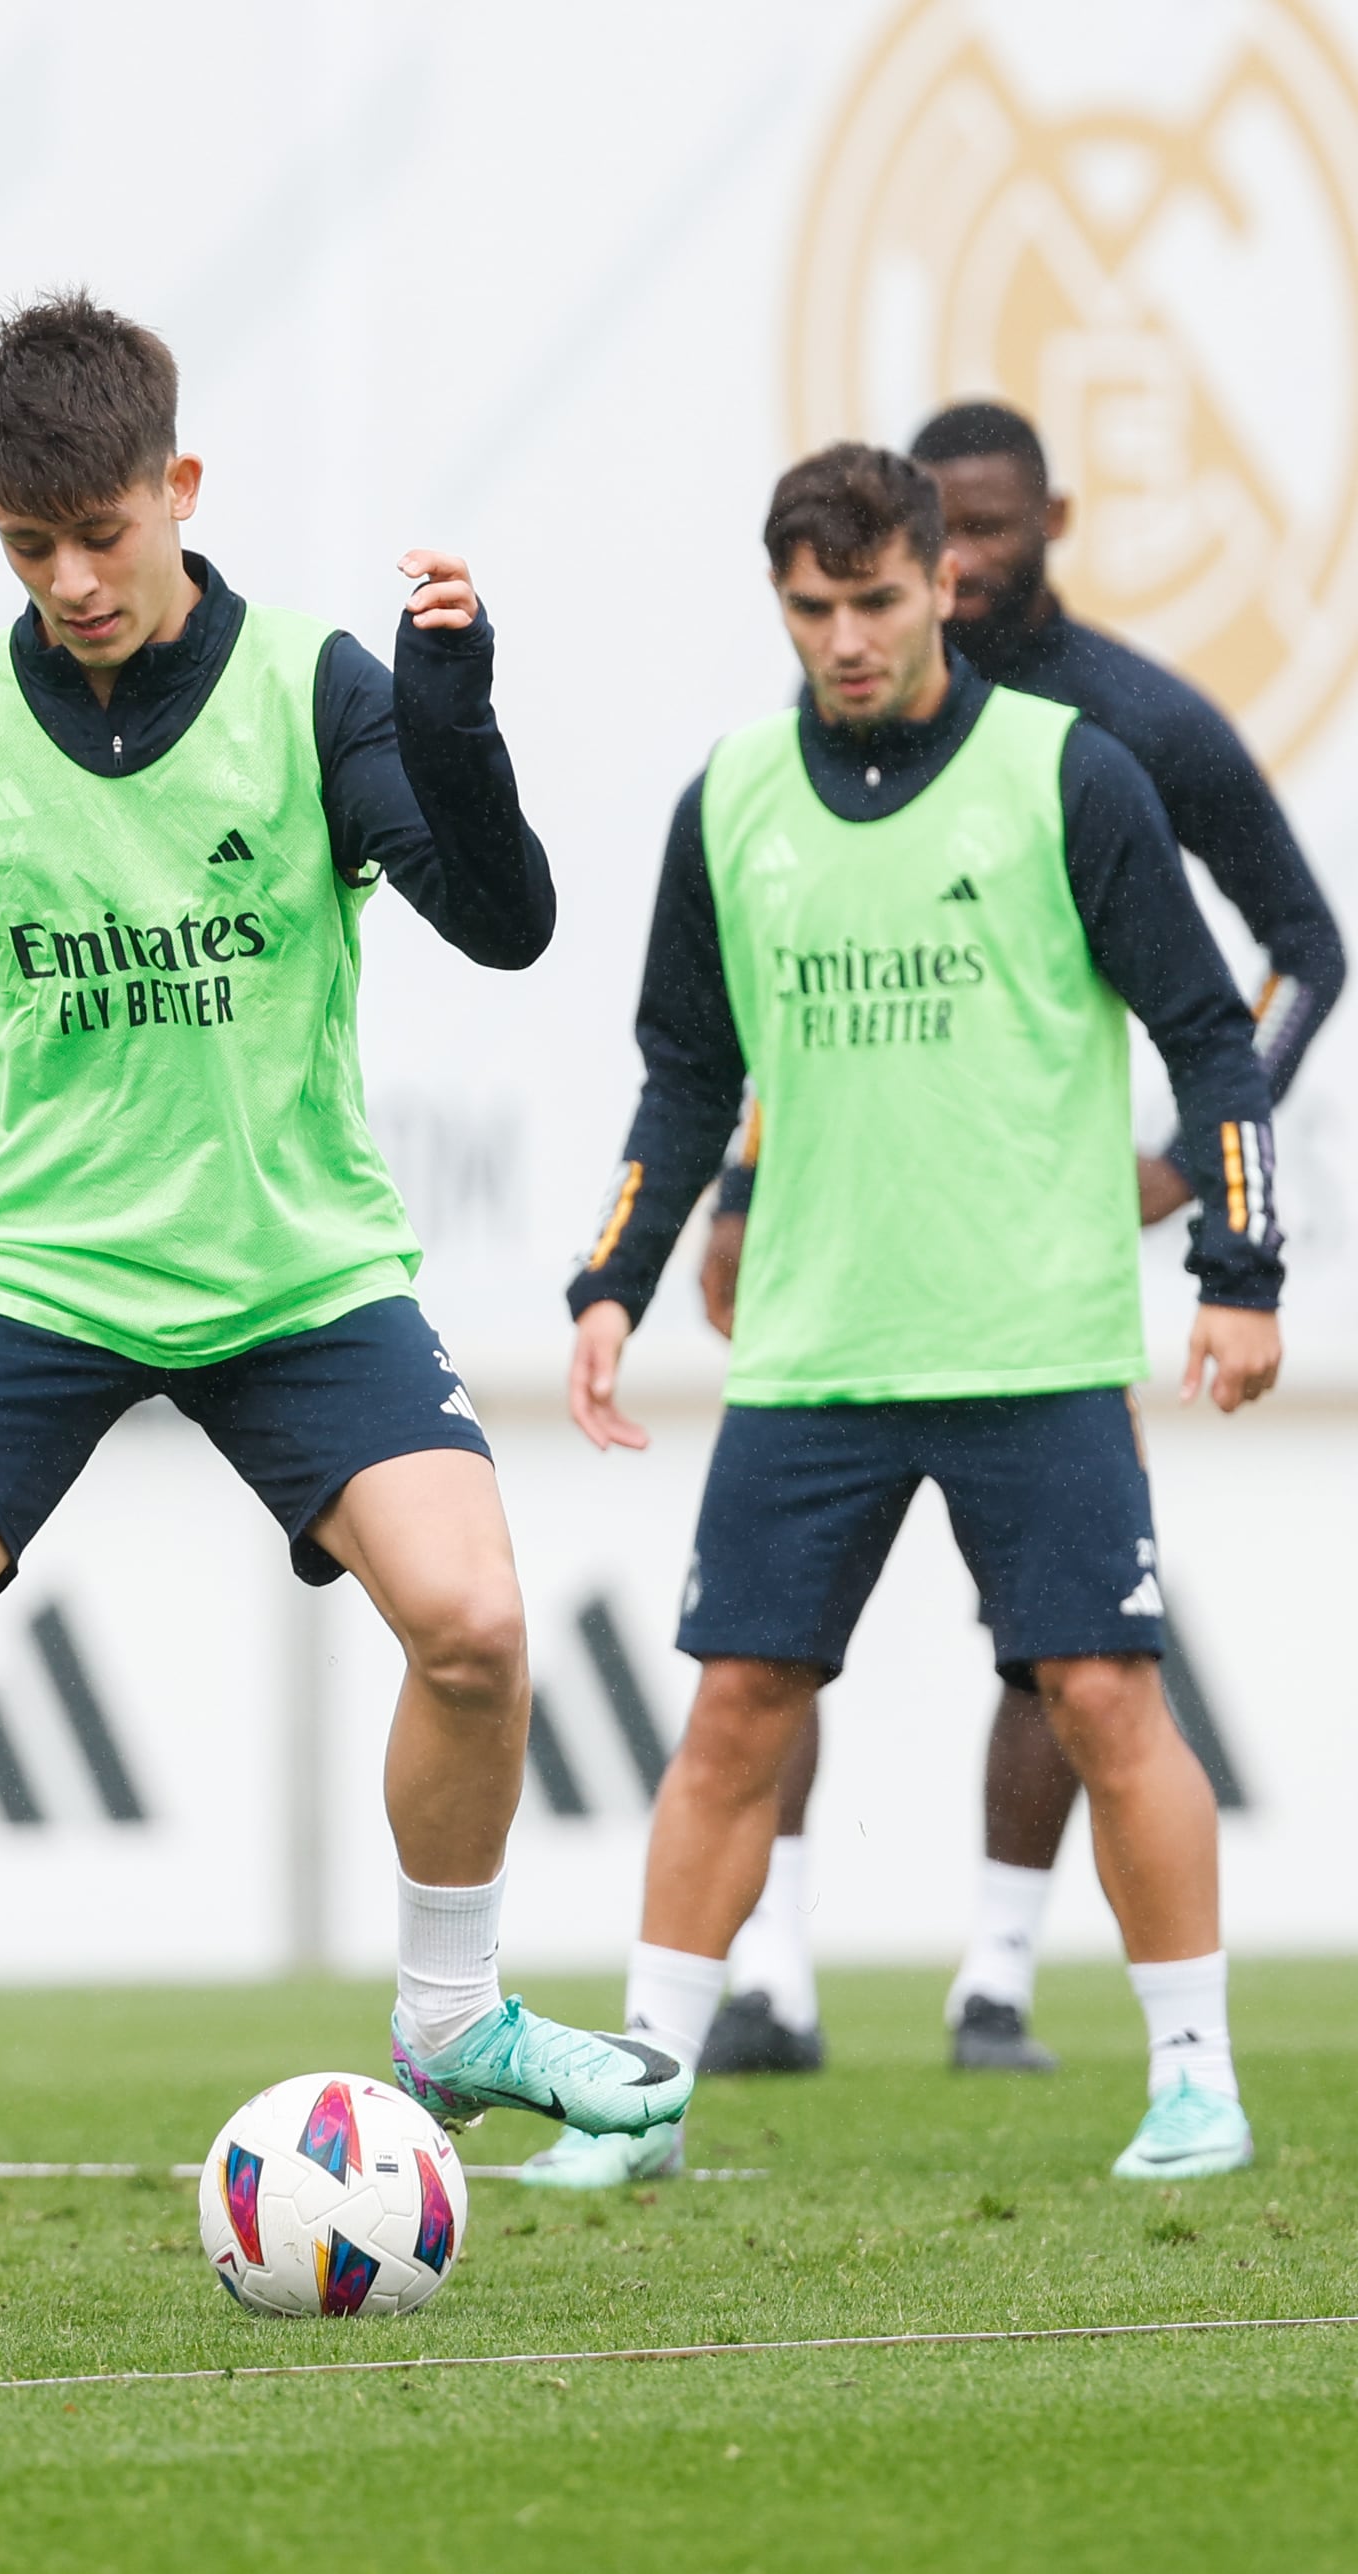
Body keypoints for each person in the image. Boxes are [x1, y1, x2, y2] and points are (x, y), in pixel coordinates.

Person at [0, 290, 668, 2338]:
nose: (69, 584)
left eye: (99, 536)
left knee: (475, 1627)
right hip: (23, 1269)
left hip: (288, 1266)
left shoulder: (312, 690)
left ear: (177, 492)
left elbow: (500, 921)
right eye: (25, 549)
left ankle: (450, 2017)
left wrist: (451, 715)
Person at [553, 442, 1280, 2189]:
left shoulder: (1067, 776)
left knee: (1106, 1698)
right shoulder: (729, 800)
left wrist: (1242, 1275)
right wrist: (611, 1285)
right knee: (735, 1713)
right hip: (814, 1353)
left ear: (941, 579)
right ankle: (642, 2102)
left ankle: (1195, 2081)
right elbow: (684, 1073)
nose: (846, 639)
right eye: (811, 609)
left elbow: (1209, 1032)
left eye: (875, 600)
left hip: (1033, 1341)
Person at [688, 402, 1342, 2079]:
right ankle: (774, 1980)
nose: (957, 570)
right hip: (846, 1267)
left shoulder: (1131, 724)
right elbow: (786, 971)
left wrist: (1190, 1173)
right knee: (770, 1652)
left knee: (1070, 1647)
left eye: (989, 533)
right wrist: (744, 1184)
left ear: (1048, 517)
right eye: (934, 544)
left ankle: (994, 1974)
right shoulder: (843, 700)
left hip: (1037, 1258)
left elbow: (1296, 957)